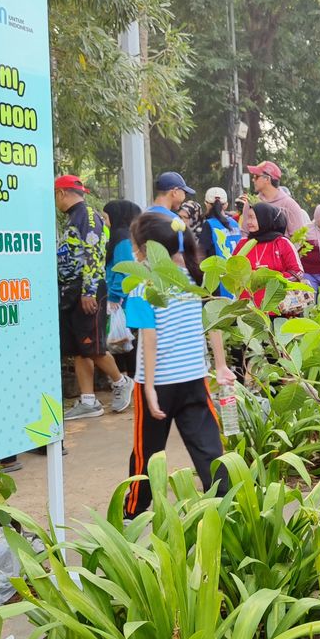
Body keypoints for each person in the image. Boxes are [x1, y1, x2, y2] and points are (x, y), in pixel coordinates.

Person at [122, 212, 235, 517]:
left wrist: (147, 387)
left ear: (148, 251)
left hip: (157, 385)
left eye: (138, 248)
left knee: (146, 453)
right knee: (209, 451)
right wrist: (221, 365)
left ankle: (133, 512)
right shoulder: (195, 280)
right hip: (194, 381)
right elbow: (214, 322)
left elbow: (149, 336)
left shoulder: (142, 286)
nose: (135, 253)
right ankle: (229, 508)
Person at [55, 175, 135, 419]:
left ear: (61, 193)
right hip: (72, 292)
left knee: (94, 347)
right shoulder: (74, 218)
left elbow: (93, 255)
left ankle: (121, 381)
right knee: (80, 349)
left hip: (86, 291)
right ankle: (88, 400)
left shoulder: (86, 216)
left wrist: (88, 291)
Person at [234, 202, 304, 308]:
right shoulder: (243, 244)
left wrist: (271, 278)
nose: (248, 222)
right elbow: (232, 270)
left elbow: (297, 273)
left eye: (252, 218)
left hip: (277, 308)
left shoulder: (281, 243)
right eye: (247, 217)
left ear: (264, 218)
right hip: (247, 308)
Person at [104, 199, 143, 376]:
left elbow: (123, 269)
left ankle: (131, 378)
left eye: (106, 217)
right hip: (123, 297)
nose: (105, 221)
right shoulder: (123, 236)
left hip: (123, 299)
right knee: (124, 339)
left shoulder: (121, 238)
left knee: (127, 339)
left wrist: (114, 295)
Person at [244, 161, 310, 236]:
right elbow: (245, 233)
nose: (253, 180)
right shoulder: (251, 203)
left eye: (256, 177)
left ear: (267, 179)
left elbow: (298, 238)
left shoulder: (289, 205)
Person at [199, 187, 242, 260]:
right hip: (235, 267)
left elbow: (202, 252)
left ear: (207, 204)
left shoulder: (209, 224)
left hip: (218, 268)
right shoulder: (234, 223)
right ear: (226, 205)